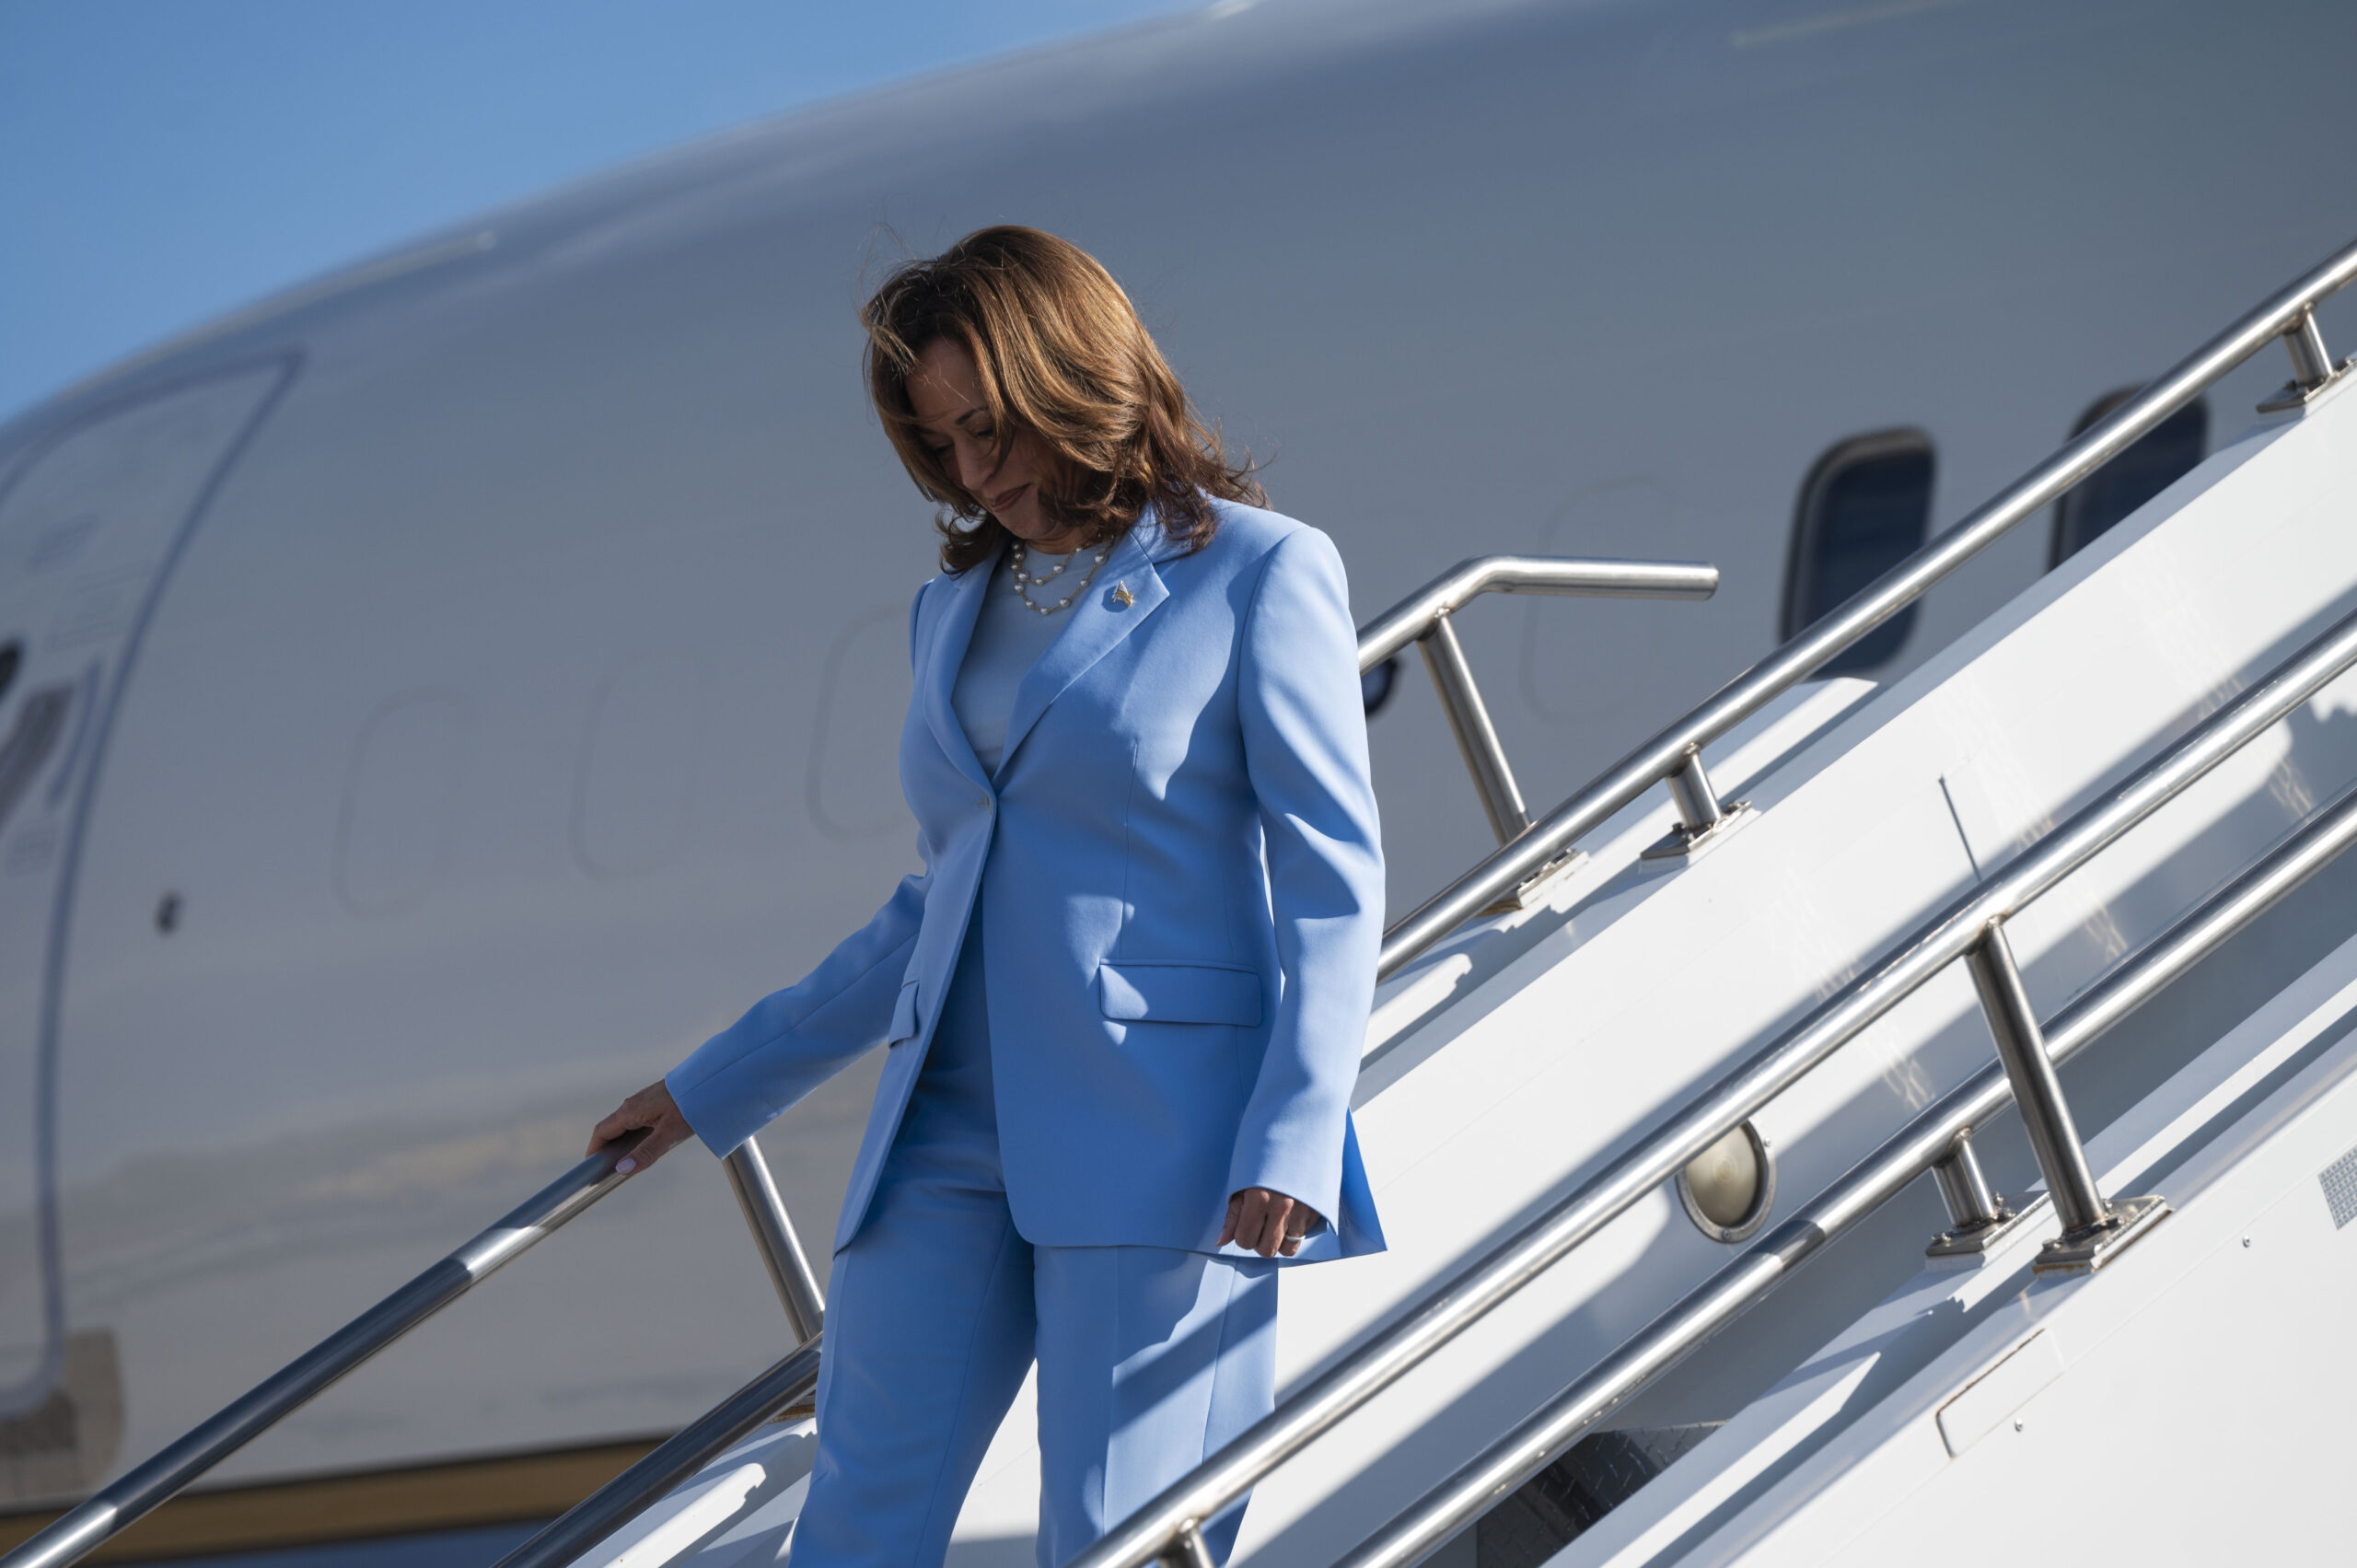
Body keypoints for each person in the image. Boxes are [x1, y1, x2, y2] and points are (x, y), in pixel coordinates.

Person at [588, 225, 1386, 1568]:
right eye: (944, 442)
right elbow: (936, 903)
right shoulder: (947, 617)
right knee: (851, 1531)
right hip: (945, 1130)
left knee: (1118, 1538)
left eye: (993, 426)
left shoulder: (1259, 570)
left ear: (1075, 374)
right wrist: (713, 1085)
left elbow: (1331, 877)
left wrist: (1295, 1133)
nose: (975, 471)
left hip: (1162, 1136)